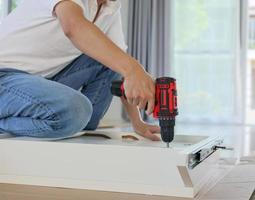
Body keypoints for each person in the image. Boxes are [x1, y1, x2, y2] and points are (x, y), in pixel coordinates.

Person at [0, 0, 160, 140]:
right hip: (4, 76)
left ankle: (71, 123)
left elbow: (121, 68)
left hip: (38, 81)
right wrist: (134, 68)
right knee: (76, 111)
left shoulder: (110, 8)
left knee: (112, 60)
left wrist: (137, 123)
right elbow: (73, 26)